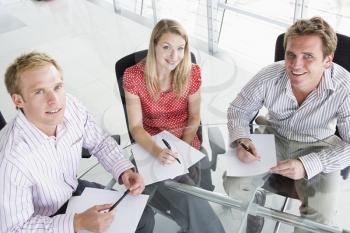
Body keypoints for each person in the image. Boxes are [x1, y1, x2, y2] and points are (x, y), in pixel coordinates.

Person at [0, 52, 155, 233]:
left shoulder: (70, 106)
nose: (54, 100)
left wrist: (123, 169)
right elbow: (14, 229)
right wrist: (77, 223)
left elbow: (100, 142)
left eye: (57, 87)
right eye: (39, 91)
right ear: (18, 100)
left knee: (143, 217)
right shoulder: (10, 161)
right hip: (39, 219)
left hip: (71, 191)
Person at [225, 16, 350, 233]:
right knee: (233, 185)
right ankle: (255, 209)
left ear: (327, 60)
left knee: (319, 220)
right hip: (274, 135)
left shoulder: (345, 87)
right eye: (290, 54)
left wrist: (307, 164)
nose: (295, 65)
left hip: (319, 144)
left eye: (308, 56)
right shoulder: (270, 74)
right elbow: (238, 110)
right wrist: (242, 139)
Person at [123, 19, 225, 233]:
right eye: (167, 47)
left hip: (185, 142)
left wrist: (182, 151)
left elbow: (194, 117)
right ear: (154, 45)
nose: (174, 56)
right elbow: (135, 127)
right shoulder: (133, 76)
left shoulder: (192, 72)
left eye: (180, 48)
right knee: (186, 198)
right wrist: (158, 151)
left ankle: (194, 225)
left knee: (187, 196)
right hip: (150, 145)